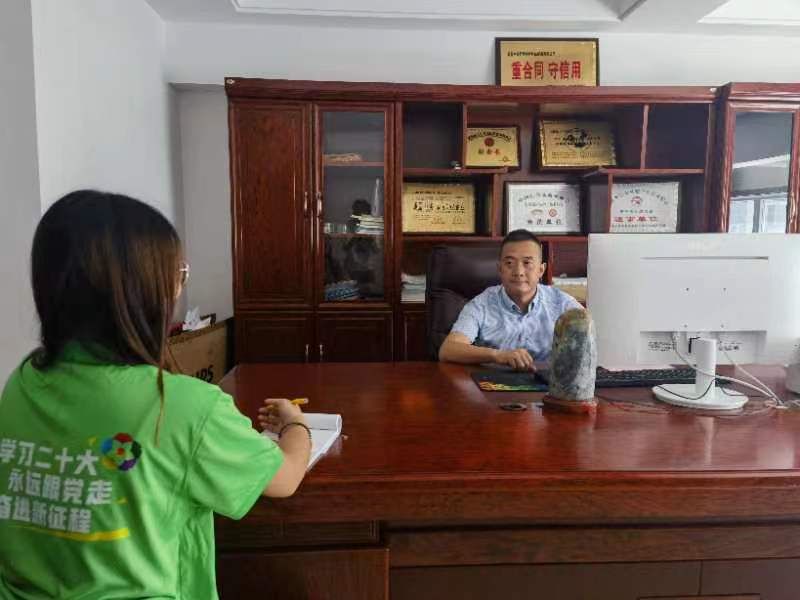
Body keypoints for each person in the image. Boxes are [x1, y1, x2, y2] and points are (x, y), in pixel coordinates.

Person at [0, 190, 311, 599]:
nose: (179, 287)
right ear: (147, 291)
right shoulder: (183, 407)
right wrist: (296, 425)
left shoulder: (24, 382)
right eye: (178, 274)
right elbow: (284, 478)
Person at [438, 229, 583, 371]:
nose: (518, 272)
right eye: (509, 263)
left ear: (541, 270)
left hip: (547, 383)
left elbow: (589, 339)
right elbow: (448, 350)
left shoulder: (562, 304)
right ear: (499, 269)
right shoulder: (481, 304)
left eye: (527, 263)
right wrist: (497, 355)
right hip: (494, 381)